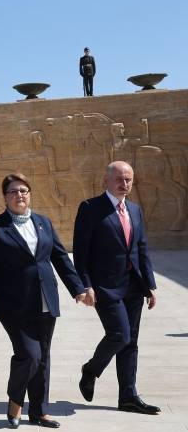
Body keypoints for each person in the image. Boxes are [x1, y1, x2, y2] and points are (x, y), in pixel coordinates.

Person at [0, 173, 87, 429]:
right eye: (13, 191)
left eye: (24, 191)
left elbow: (60, 257)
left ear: (30, 194)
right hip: (14, 302)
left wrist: (77, 288)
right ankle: (15, 400)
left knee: (43, 357)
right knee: (29, 354)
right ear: (5, 197)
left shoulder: (43, 223)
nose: (19, 195)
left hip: (45, 299)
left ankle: (39, 411)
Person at [74, 161, 161, 415]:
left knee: (130, 342)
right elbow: (81, 252)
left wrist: (150, 285)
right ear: (106, 180)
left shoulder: (134, 210)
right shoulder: (90, 208)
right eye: (120, 179)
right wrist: (85, 285)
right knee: (119, 335)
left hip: (134, 286)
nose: (125, 184)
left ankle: (128, 397)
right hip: (105, 287)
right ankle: (90, 370)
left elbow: (141, 248)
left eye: (129, 180)